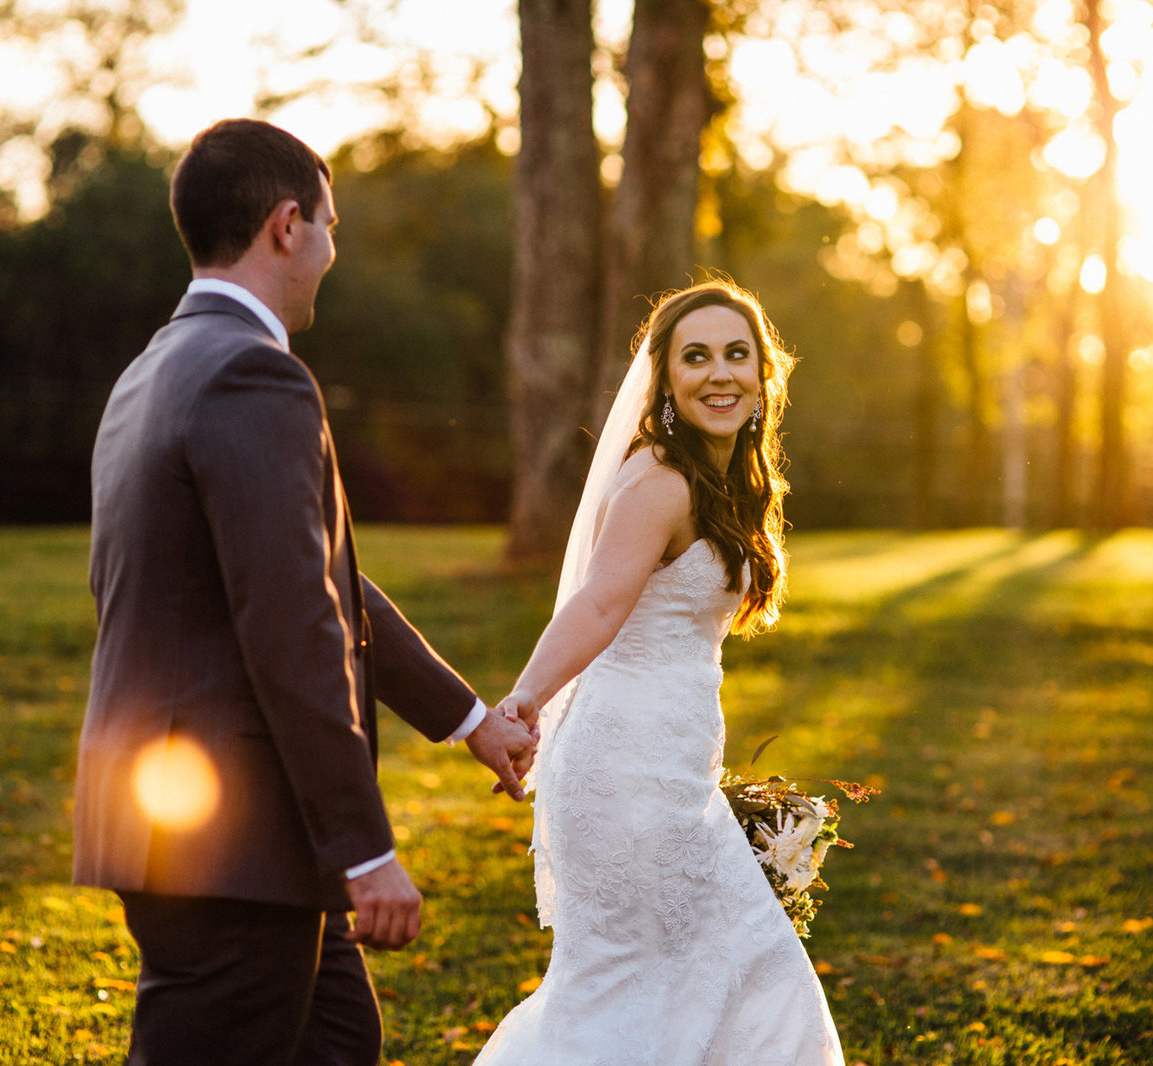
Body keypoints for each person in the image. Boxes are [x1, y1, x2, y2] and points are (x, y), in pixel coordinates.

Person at [72, 118, 537, 1066]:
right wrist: (363, 852)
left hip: (181, 823)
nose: (333, 250)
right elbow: (293, 625)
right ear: (287, 226)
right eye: (330, 226)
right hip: (233, 841)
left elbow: (321, 576)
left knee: (337, 1039)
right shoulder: (253, 374)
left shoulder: (152, 370)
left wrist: (469, 719)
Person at [473, 280, 845, 1064]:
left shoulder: (718, 480)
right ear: (667, 378)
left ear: (762, 374)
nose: (720, 373)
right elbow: (598, 606)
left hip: (674, 769)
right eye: (697, 356)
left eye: (737, 355)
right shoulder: (661, 480)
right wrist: (524, 701)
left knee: (700, 979)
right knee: (640, 983)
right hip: (622, 773)